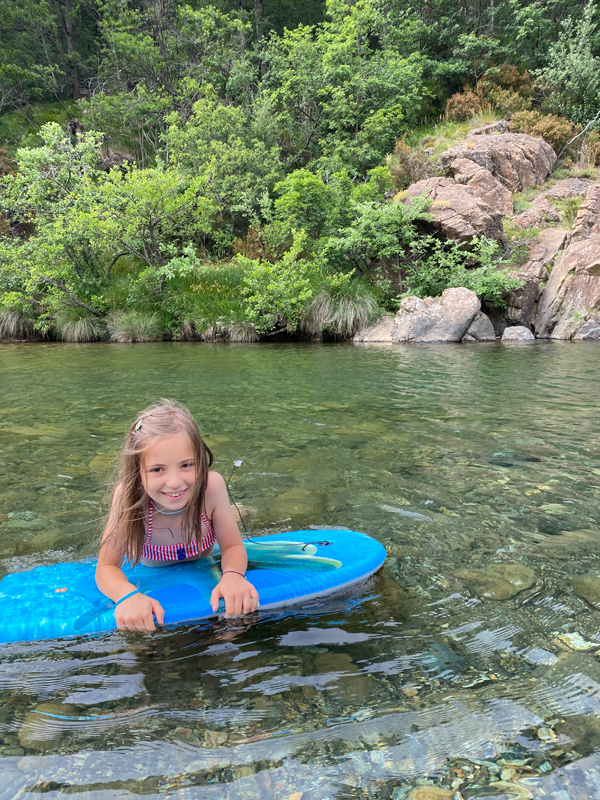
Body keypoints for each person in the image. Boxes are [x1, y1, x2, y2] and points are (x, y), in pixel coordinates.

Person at [96, 400, 259, 632]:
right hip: (153, 569)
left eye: (186, 465)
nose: (174, 482)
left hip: (203, 555)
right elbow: (106, 567)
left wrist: (233, 575)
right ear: (137, 472)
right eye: (157, 469)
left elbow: (232, 545)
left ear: (201, 461)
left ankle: (237, 510)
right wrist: (127, 596)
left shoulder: (210, 488)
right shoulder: (129, 499)